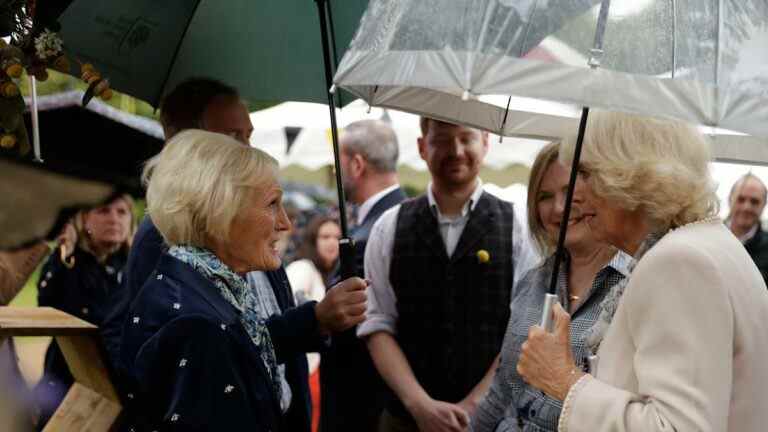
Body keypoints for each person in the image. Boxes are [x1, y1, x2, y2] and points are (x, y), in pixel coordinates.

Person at [103, 77, 345, 432]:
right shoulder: (194, 320)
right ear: (220, 207)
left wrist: (315, 319)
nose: (286, 224)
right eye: (271, 204)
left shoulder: (211, 278)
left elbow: (250, 344)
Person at [517, 111, 768, 432]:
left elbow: (676, 427)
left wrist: (564, 381)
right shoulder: (709, 244)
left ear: (630, 175)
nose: (577, 195)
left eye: (587, 173)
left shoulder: (678, 262)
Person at [360, 117, 538, 432]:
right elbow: (377, 323)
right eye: (442, 139)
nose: (455, 150)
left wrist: (473, 408)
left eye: (465, 138)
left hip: (493, 421)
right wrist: (420, 405)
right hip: (405, 419)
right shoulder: (389, 226)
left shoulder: (519, 227)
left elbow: (521, 329)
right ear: (421, 147)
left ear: (485, 142)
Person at [470, 142, 631, 431]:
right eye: (545, 196)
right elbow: (501, 390)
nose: (559, 208)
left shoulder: (635, 285)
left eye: (569, 192)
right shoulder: (532, 282)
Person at [321, 119, 407, 432]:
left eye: (338, 162)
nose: (335, 171)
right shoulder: (405, 214)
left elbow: (346, 318)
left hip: (362, 403)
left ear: (357, 164)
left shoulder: (375, 231)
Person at [34, 195, 135, 427]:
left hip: (120, 380)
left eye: (122, 212)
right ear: (83, 220)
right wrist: (64, 252)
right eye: (103, 211)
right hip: (69, 376)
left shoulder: (135, 266)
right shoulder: (69, 261)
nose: (114, 219)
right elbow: (47, 305)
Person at [726, 173, 768, 283]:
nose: (746, 207)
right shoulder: (709, 240)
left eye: (754, 202)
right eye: (741, 199)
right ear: (730, 200)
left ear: (764, 205)